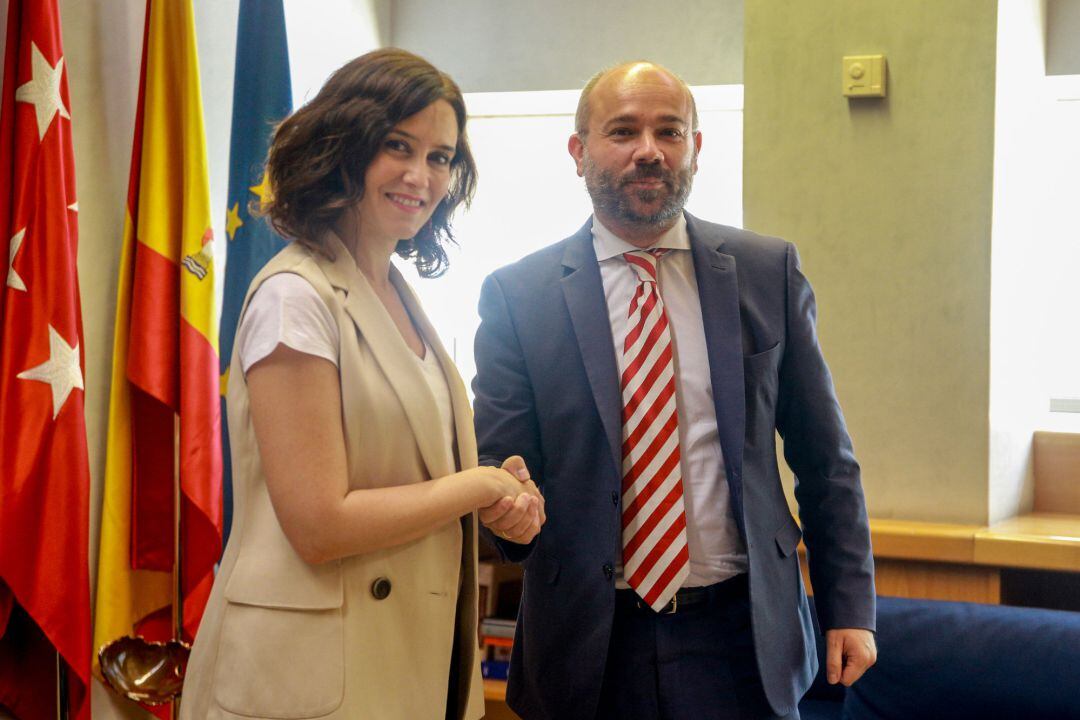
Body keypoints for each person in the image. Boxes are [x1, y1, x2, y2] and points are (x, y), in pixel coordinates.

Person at [471, 61, 877, 720]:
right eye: (623, 131)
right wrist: (508, 508)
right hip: (590, 643)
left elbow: (825, 455)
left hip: (740, 637)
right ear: (579, 152)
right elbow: (504, 464)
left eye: (670, 131)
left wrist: (850, 607)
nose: (649, 151)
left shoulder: (766, 271)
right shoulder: (519, 296)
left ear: (696, 147)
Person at [180, 48, 544, 720]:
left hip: (406, 657)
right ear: (343, 145)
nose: (421, 175)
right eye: (397, 146)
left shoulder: (397, 293)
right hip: (308, 676)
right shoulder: (296, 295)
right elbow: (318, 523)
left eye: (441, 156)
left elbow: (407, 468)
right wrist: (476, 485)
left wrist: (500, 488)